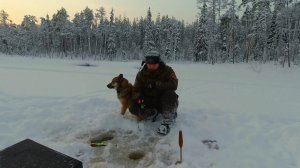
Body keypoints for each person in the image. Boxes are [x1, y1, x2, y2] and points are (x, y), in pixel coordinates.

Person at [129, 50, 179, 135]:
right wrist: (138, 97)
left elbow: (174, 85)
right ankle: (150, 113)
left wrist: (156, 84)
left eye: (154, 65)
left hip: (162, 101)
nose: (151, 66)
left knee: (170, 94)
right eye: (149, 65)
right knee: (132, 106)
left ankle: (167, 120)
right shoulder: (141, 73)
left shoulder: (168, 70)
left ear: (159, 63)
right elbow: (136, 89)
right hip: (147, 101)